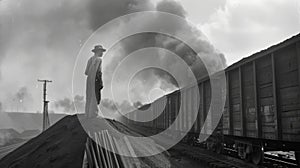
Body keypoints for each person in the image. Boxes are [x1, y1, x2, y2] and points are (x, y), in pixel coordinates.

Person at [84, 45, 106, 118]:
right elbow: (97, 71)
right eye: (101, 51)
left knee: (89, 96)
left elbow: (86, 72)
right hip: (95, 79)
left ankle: (87, 114)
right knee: (95, 97)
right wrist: (99, 82)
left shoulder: (90, 59)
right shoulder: (99, 59)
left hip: (89, 80)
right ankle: (94, 114)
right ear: (98, 52)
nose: (102, 53)